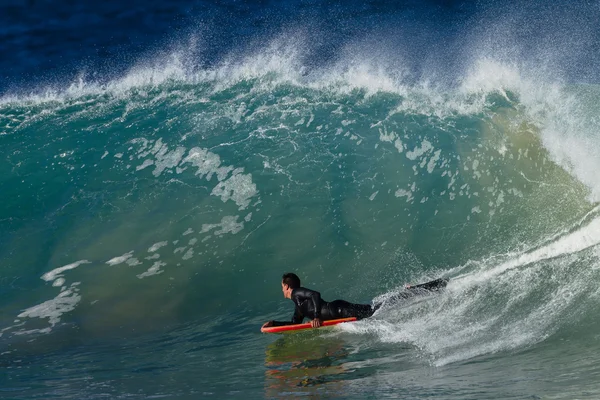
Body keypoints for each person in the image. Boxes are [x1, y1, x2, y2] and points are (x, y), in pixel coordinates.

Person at [261, 273, 448, 330]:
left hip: (340, 309)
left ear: (287, 286)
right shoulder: (298, 305)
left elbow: (315, 295)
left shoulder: (297, 293)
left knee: (377, 310)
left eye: (281, 286)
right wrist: (274, 324)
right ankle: (417, 289)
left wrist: (317, 317)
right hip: (339, 311)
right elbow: (295, 323)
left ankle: (431, 286)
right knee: (378, 308)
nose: (281, 290)